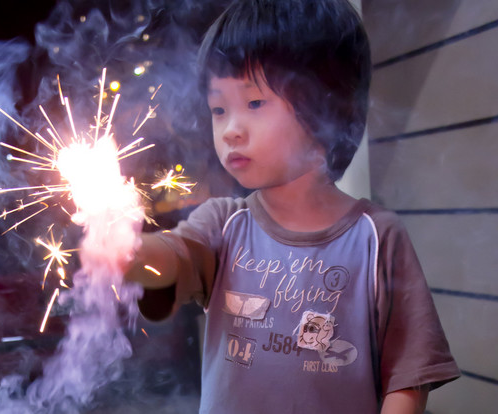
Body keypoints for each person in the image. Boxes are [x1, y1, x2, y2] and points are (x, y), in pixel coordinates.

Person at [123, 0, 460, 412]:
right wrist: (122, 247)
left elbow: (407, 377)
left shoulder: (376, 238)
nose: (230, 130)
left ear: (325, 108)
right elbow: (168, 259)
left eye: (254, 103)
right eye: (218, 109)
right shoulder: (224, 224)